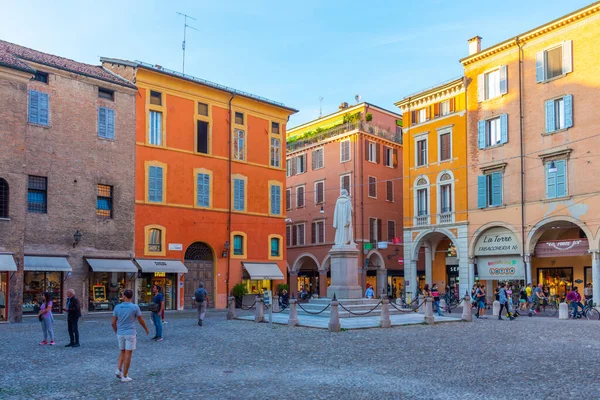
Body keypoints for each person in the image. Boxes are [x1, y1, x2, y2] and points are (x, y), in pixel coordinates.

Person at [112, 289, 149, 383]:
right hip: (130, 333)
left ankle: (119, 370)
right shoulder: (135, 307)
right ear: (131, 296)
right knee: (128, 353)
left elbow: (113, 323)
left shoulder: (117, 307)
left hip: (120, 333)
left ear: (124, 296)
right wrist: (146, 329)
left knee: (122, 351)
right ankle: (125, 375)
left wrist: (116, 331)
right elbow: (141, 320)